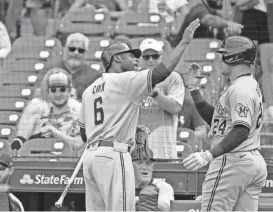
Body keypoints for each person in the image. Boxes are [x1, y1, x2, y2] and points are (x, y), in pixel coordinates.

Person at [79, 18, 200, 211]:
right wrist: (184, 41)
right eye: (131, 56)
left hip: (91, 158)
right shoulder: (124, 80)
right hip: (114, 154)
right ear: (117, 58)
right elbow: (161, 72)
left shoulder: (89, 90)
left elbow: (84, 133)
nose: (136, 60)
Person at [182, 35, 267, 211]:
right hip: (251, 162)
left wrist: (208, 155)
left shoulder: (240, 89)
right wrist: (195, 91)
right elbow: (218, 121)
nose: (220, 60)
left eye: (223, 55)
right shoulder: (246, 84)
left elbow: (241, 130)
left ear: (233, 57)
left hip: (233, 161)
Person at [10, 68, 83, 151]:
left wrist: (54, 132)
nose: (58, 94)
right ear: (48, 92)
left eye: (62, 89)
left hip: (68, 161)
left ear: (69, 90)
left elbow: (79, 145)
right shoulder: (36, 107)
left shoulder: (79, 110)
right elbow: (19, 141)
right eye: (53, 90)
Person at [138, 38, 185, 159]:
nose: (151, 60)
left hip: (164, 151)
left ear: (161, 57)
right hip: (136, 151)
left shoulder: (173, 77)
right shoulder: (133, 79)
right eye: (146, 57)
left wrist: (155, 95)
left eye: (155, 56)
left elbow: (175, 107)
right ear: (140, 59)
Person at [34, 33, 102, 101]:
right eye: (72, 49)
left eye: (81, 50)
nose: (76, 53)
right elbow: (38, 94)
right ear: (65, 50)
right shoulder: (49, 70)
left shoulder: (94, 76)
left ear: (85, 53)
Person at [132, 125, 174, 211]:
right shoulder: (121, 185)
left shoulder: (163, 186)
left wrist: (138, 200)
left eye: (148, 163)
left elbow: (165, 208)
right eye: (139, 163)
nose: (145, 167)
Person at [168, 0, 244, 47]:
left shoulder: (216, 15)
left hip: (201, 53)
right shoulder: (198, 10)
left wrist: (230, 34)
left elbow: (222, 39)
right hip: (182, 52)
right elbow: (208, 20)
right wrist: (229, 24)